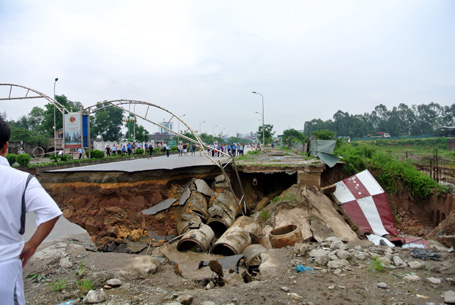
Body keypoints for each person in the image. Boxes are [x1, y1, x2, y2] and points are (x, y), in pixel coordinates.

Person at [0, 117, 62, 305]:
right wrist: (31, 246)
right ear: (5, 146)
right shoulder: (21, 180)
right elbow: (51, 213)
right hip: (5, 266)